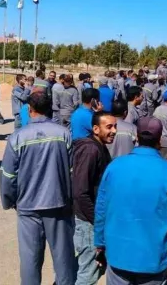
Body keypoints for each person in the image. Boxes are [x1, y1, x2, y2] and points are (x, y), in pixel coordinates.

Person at [94, 116, 167, 285]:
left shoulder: (114, 166)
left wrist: (100, 244)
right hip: (154, 259)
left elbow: (101, 209)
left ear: (136, 137)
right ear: (159, 140)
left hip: (118, 256)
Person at [0, 92, 75, 285]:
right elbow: (72, 171)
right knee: (63, 257)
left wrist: (9, 201)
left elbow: (8, 175)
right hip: (58, 204)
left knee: (30, 259)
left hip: (27, 206)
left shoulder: (18, 137)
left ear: (29, 110)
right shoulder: (64, 134)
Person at [73, 112, 116, 285]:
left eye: (115, 126)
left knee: (92, 269)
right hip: (88, 223)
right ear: (96, 129)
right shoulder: (90, 150)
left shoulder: (99, 146)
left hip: (93, 220)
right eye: (109, 127)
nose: (114, 131)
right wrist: (97, 221)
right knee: (88, 274)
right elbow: (80, 192)